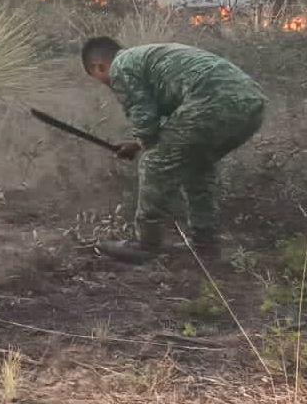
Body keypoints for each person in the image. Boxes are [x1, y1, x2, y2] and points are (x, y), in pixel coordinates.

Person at [82, 38, 267, 262]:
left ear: (99, 67)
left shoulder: (120, 66)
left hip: (212, 101)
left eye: (99, 79)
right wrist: (137, 144)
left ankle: (145, 245)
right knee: (197, 166)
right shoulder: (145, 57)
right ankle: (205, 244)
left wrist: (142, 143)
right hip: (252, 105)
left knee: (154, 163)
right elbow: (168, 126)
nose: (106, 84)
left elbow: (145, 117)